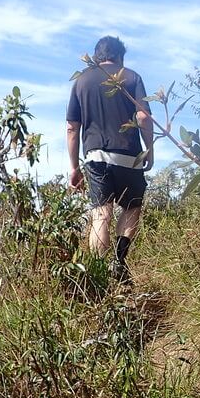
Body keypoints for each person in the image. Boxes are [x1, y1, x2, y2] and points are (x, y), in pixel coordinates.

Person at [66, 35, 154, 284]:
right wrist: (150, 150)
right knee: (132, 207)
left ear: (97, 57)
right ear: (119, 57)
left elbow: (72, 127)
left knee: (100, 215)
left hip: (96, 156)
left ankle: (98, 275)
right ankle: (119, 260)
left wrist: (74, 168)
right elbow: (144, 117)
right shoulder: (131, 76)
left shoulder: (81, 81)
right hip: (129, 155)